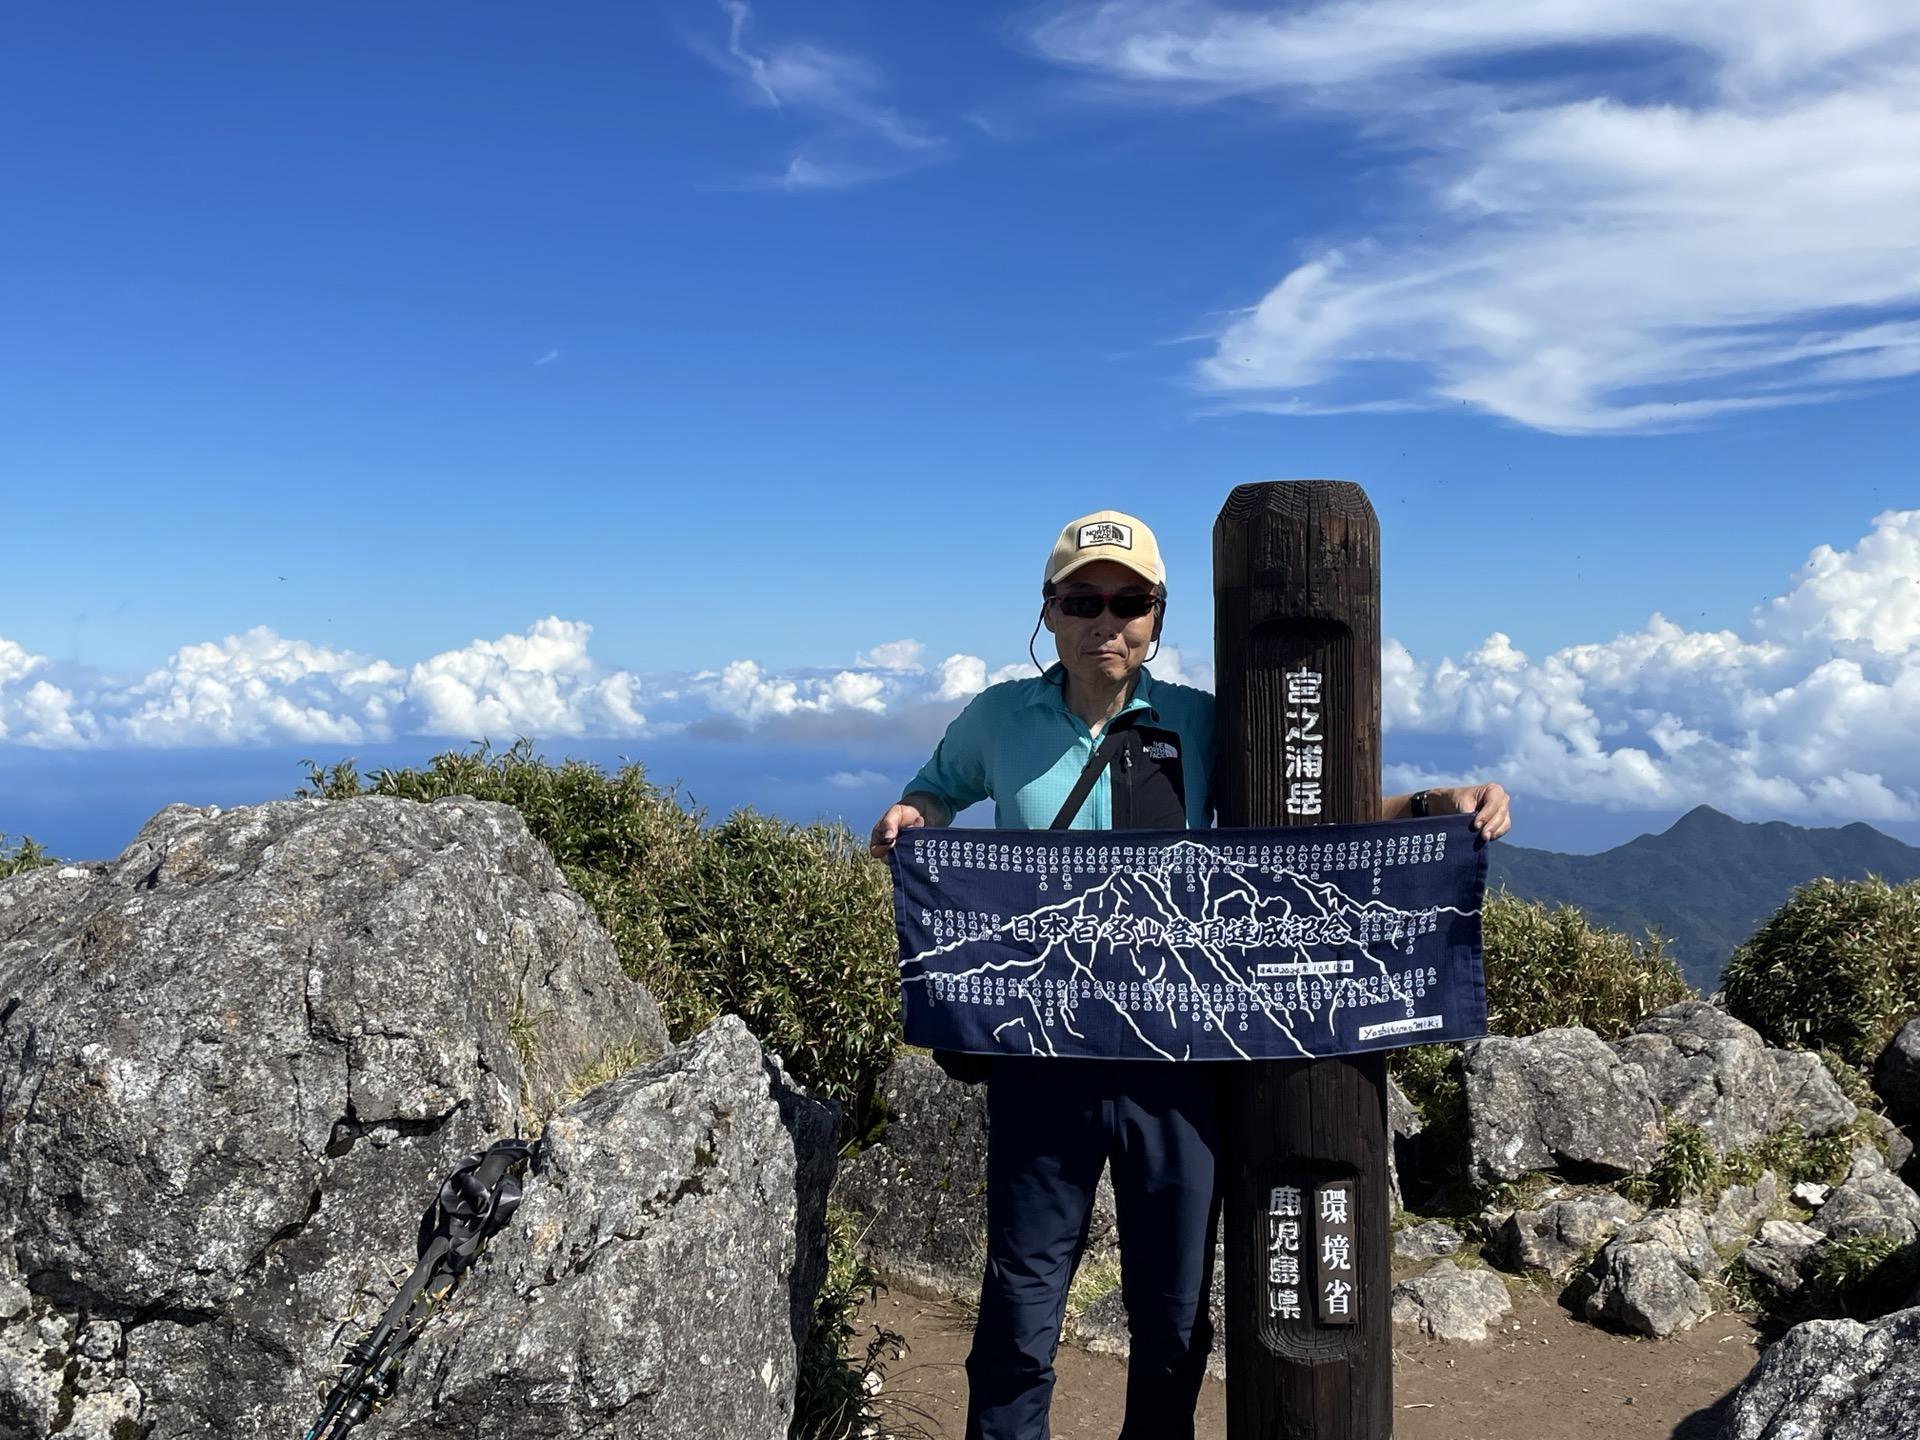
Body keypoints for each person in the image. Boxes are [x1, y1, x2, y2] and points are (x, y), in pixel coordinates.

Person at [869, 509, 1511, 1439]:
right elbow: (928, 794)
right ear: (1048, 613)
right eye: (1083, 601)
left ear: (1158, 614)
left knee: (1171, 1320)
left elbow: (1308, 828)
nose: (1107, 622)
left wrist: (1432, 805)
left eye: (1129, 603)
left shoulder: (1202, 724)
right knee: (1019, 1309)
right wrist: (909, 820)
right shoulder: (998, 719)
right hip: (1042, 1061)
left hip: (1176, 1062)